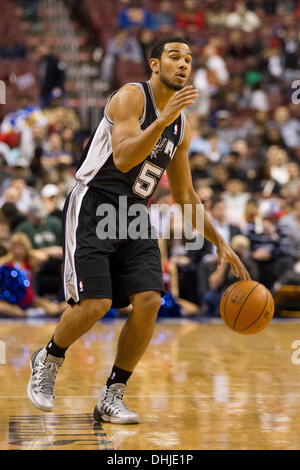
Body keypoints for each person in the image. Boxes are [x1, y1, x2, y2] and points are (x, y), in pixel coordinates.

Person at [27, 37, 250, 423]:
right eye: (174, 56)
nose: (183, 64)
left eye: (189, 59)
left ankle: (113, 393)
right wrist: (161, 120)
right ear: (154, 64)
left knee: (149, 300)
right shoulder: (131, 97)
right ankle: (49, 357)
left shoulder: (180, 126)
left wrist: (220, 243)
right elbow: (125, 155)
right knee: (94, 304)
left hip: (133, 214)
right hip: (94, 203)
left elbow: (184, 194)